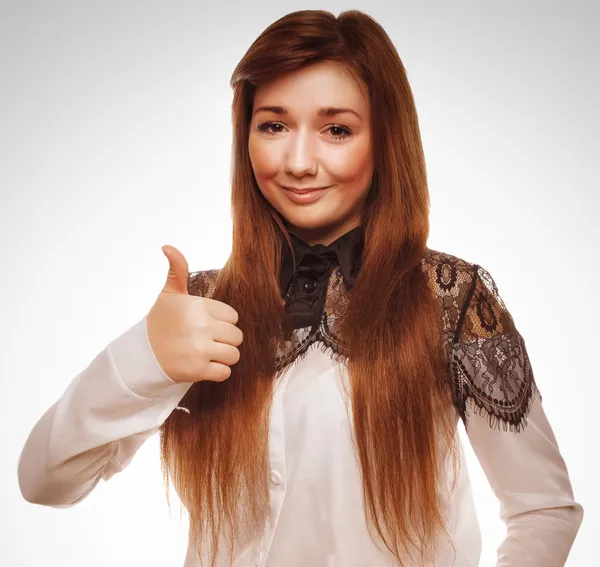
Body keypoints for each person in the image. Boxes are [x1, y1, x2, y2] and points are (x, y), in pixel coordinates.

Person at [17, 9, 583, 567]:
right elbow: (45, 482)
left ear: (384, 139)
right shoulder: (203, 306)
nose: (298, 161)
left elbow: (543, 510)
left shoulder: (447, 299)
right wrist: (143, 355)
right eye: (274, 125)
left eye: (336, 129)